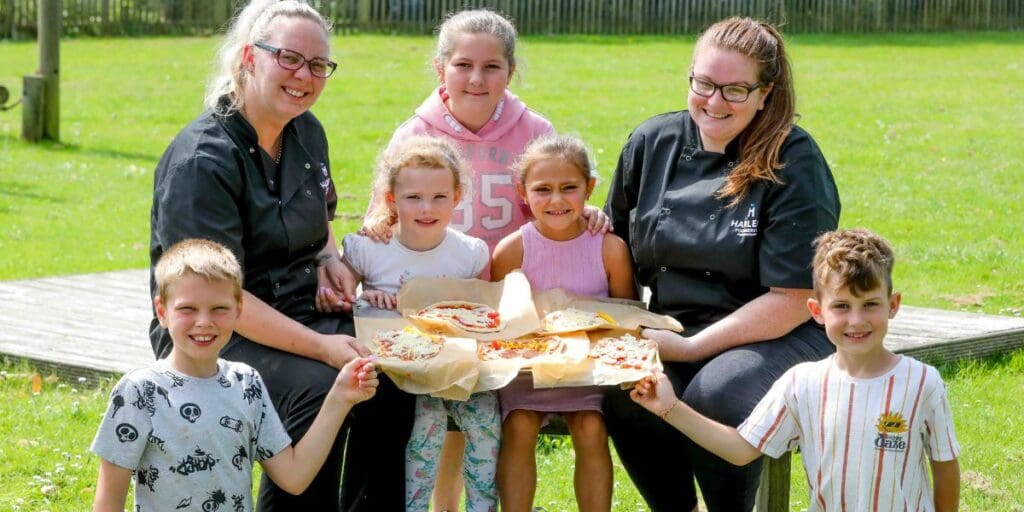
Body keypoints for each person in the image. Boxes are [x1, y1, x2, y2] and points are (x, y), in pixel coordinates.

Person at [322, 9, 609, 510]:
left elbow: (557, 188)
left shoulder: (534, 128)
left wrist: (590, 213)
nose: (477, 79)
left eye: (492, 67)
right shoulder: (414, 133)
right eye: (463, 65)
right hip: (433, 305)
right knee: (436, 412)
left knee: (479, 413)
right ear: (441, 70)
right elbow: (382, 212)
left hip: (505, 300)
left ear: (510, 72)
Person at [147, 1, 413, 509]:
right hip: (212, 330)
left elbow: (322, 216)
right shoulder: (203, 161)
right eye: (289, 58)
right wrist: (320, 346)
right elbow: (219, 297)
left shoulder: (307, 132)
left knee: (394, 371)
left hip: (301, 311)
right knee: (323, 387)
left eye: (318, 65)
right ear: (249, 57)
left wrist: (327, 256)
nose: (304, 76)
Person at [602, 16, 842, 511]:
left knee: (718, 392)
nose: (714, 102)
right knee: (623, 385)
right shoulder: (651, 143)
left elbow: (795, 297)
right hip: (673, 322)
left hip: (780, 330)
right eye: (704, 84)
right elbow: (614, 244)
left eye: (735, 90)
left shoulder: (794, 159)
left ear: (765, 93)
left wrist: (690, 349)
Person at [630, 228, 961, 511]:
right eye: (842, 306)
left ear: (893, 305)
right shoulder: (804, 383)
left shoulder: (922, 383)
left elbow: (945, 465)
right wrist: (670, 408)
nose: (856, 320)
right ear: (817, 311)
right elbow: (741, 449)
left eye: (870, 305)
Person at [92, 239, 379, 512]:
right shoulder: (139, 393)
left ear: (238, 309)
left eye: (219, 309)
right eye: (187, 309)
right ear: (162, 311)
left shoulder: (247, 384)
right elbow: (108, 502)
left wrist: (339, 398)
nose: (204, 322)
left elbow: (294, 477)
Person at [342, 136, 500, 511]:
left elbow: (483, 312)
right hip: (405, 379)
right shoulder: (368, 250)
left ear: (457, 196)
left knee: (488, 421)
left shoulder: (470, 254)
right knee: (423, 430)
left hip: (460, 371)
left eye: (440, 197)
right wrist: (367, 301)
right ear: (391, 199)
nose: (427, 208)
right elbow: (344, 304)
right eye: (413, 197)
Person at [491, 134, 636, 512]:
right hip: (528, 367)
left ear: (589, 188)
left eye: (569, 188)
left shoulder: (608, 248)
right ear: (523, 192)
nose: (556, 200)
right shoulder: (512, 250)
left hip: (587, 365)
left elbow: (628, 313)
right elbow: (498, 318)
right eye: (543, 190)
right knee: (520, 425)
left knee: (590, 427)